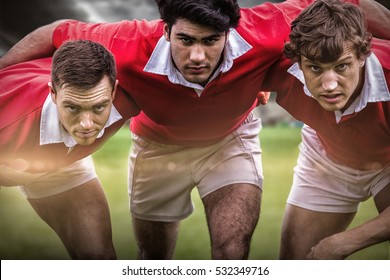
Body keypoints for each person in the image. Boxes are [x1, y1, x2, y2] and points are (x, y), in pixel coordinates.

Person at [0, 0, 388, 260]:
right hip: (156, 145)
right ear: (166, 30)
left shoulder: (268, 28)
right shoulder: (125, 42)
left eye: (211, 41)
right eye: (185, 40)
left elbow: (358, 6)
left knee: (232, 250)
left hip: (231, 138)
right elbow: (52, 33)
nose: (197, 56)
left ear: (231, 33)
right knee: (150, 261)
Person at [261, 0, 390, 259]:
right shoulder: (278, 67)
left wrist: (340, 244)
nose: (329, 85)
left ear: (363, 56)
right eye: (315, 68)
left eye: (341, 66)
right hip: (327, 156)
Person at [0, 40, 140, 259]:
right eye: (73, 108)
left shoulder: (135, 89)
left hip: (59, 162)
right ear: (53, 94)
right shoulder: (8, 121)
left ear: (113, 92)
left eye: (98, 107)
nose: (86, 124)